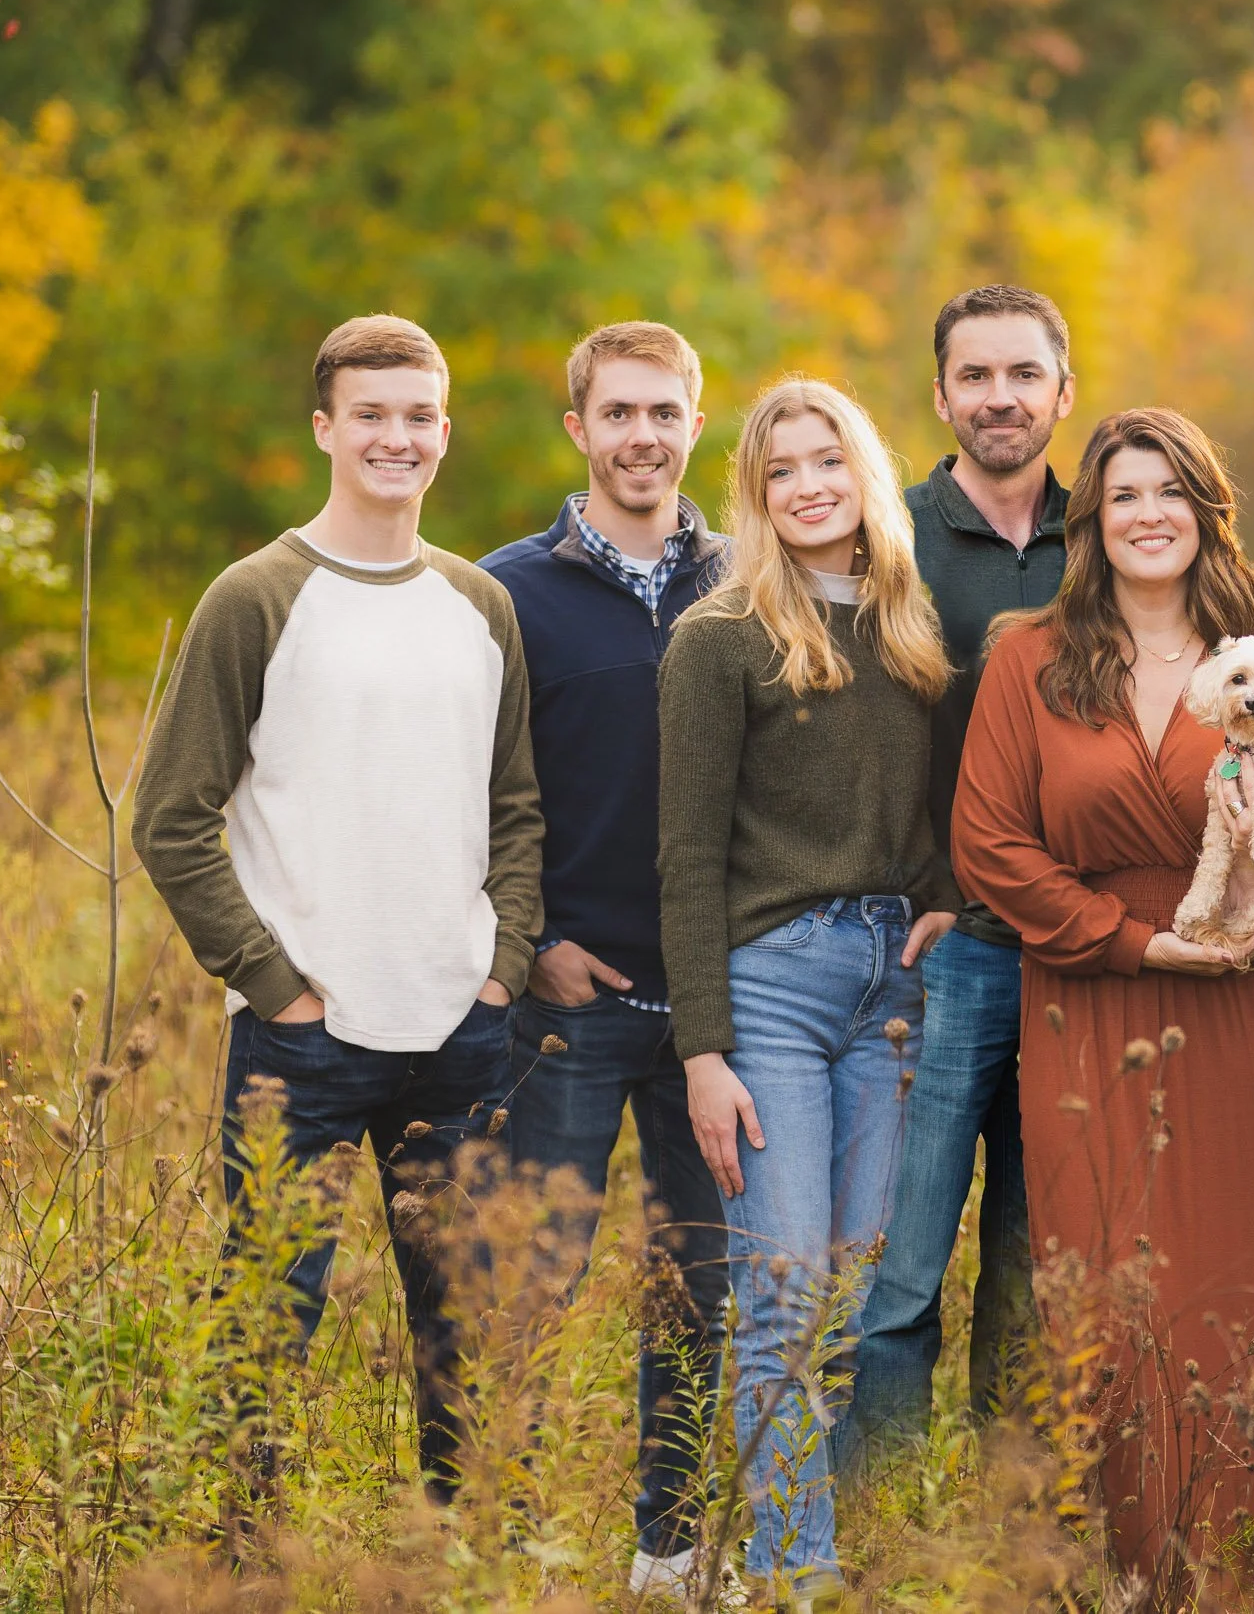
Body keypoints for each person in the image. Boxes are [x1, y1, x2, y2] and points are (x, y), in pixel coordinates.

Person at [951, 407, 1254, 1593]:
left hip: (1249, 1002)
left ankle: (1251, 1569)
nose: (1148, 513)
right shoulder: (1028, 657)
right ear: (1088, 518)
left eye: (1171, 491)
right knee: (1100, 1283)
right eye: (1122, 494)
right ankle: (1123, 1566)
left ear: (1206, 511)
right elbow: (988, 844)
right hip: (1088, 1000)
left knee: (1246, 1292)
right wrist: (1139, 942)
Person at [133, 313, 541, 1505]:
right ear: (324, 427)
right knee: (263, 1323)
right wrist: (278, 985)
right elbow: (170, 815)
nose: (395, 437)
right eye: (370, 413)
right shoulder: (254, 597)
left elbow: (516, 806)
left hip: (460, 1030)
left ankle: (458, 1558)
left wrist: (502, 965)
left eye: (418, 415)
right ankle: (234, 1563)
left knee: (462, 1335)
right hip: (301, 1041)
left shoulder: (478, 604)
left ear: (445, 432)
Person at [657, 376, 959, 1603]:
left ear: (865, 472)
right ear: (756, 493)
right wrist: (702, 1048)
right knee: (779, 1297)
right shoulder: (719, 638)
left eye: (826, 459)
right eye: (780, 470)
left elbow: (919, 811)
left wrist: (943, 892)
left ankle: (803, 1547)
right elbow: (685, 851)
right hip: (768, 988)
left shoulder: (906, 629)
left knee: (846, 1299)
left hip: (889, 990)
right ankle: (791, 1578)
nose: (807, 486)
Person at [479, 321, 732, 1596]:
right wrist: (520, 947)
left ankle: (669, 1546)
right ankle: (504, 1533)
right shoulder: (504, 590)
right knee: (529, 1274)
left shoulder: (749, 580)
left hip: (718, 1014)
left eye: (664, 412)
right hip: (570, 999)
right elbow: (456, 787)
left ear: (698, 420)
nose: (643, 435)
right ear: (577, 428)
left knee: (700, 1282)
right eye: (617, 412)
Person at [850, 286, 1075, 1468]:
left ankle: (1009, 1545)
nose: (1000, 398)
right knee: (900, 1270)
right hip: (935, 953)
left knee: (1037, 1272)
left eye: (1023, 374)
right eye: (975, 377)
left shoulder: (1114, 530)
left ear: (1060, 393)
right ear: (939, 395)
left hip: (1077, 956)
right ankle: (882, 1543)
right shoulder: (885, 538)